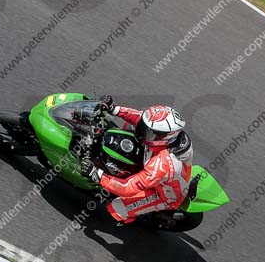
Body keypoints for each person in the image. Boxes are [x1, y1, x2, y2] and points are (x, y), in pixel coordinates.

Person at [80, 95, 194, 224]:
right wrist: (114, 108)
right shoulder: (165, 134)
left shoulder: (161, 165)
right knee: (127, 130)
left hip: (164, 193)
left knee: (117, 208)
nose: (142, 131)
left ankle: (131, 218)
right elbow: (139, 117)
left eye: (149, 132)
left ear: (165, 137)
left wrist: (97, 174)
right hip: (159, 168)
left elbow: (126, 187)